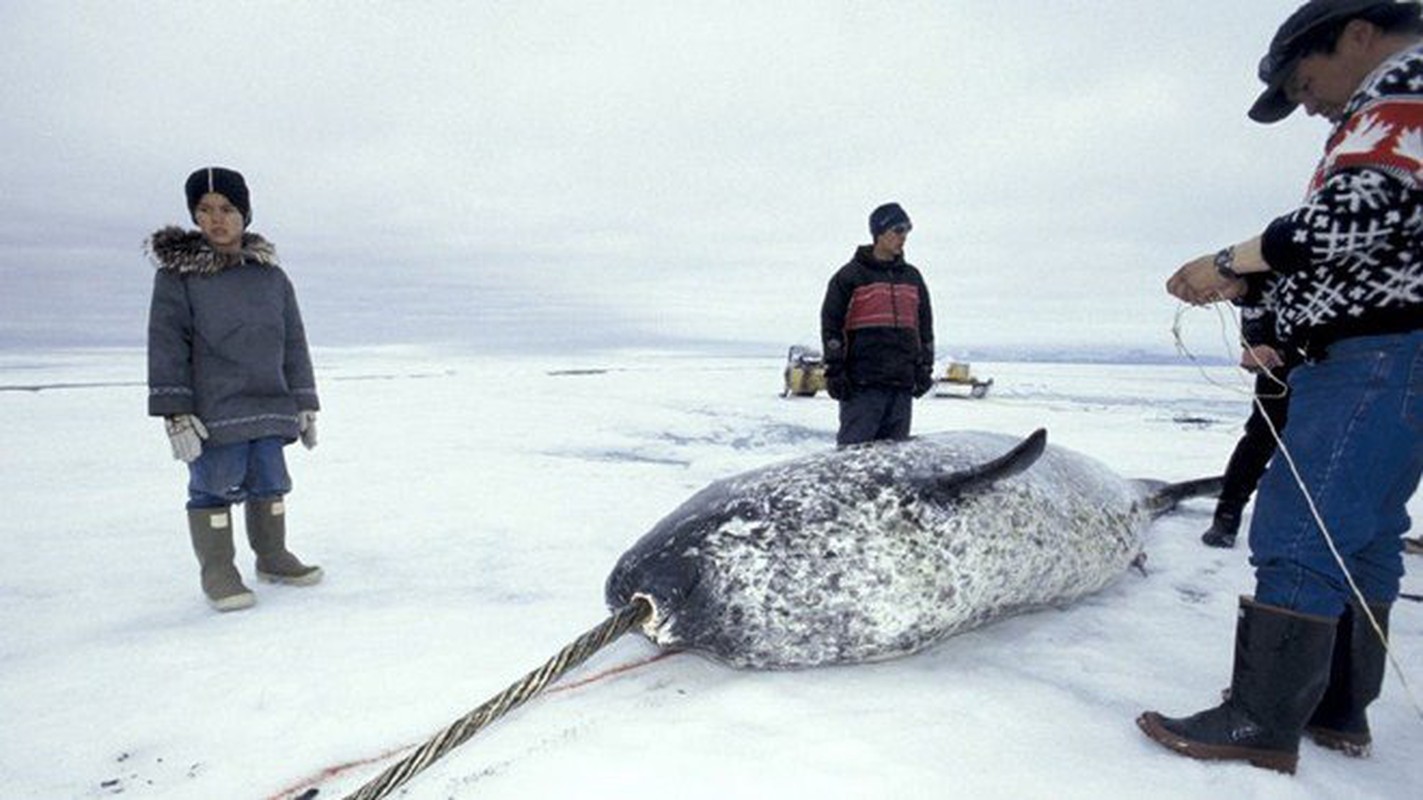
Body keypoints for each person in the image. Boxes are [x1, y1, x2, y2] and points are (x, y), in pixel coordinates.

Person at [1138, 0, 1423, 774]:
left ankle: (1259, 721)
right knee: (1361, 533)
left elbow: (1352, 221)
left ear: (1357, 35)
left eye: (1303, 81)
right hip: (1396, 361)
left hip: (1373, 358)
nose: (1307, 104)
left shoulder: (1402, 93)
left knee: (1301, 528)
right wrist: (1257, 300)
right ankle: (1338, 708)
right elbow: (1372, 245)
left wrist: (1229, 263)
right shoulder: (1383, 103)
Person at [147, 166, 323, 612]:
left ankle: (273, 556)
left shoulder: (270, 277)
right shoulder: (178, 277)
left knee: (270, 481)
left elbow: (293, 341)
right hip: (215, 408)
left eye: (226, 208)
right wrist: (175, 410)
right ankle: (218, 569)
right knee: (213, 484)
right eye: (204, 210)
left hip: (269, 400)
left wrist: (303, 401)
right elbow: (167, 344)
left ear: (243, 213)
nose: (216, 219)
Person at [820, 202, 936, 447]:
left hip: (901, 386)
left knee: (894, 462)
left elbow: (924, 328)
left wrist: (925, 367)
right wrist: (835, 370)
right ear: (879, 233)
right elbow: (831, 327)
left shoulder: (912, 277)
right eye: (898, 230)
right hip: (862, 388)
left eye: (907, 230)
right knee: (854, 460)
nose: (904, 237)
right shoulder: (850, 277)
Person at [1200, 308, 1295, 548]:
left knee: (1331, 444)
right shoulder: (1270, 277)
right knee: (1261, 437)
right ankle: (1226, 516)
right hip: (1279, 364)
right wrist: (1256, 342)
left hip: (1346, 363)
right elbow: (1255, 297)